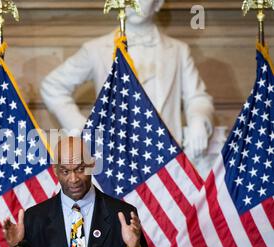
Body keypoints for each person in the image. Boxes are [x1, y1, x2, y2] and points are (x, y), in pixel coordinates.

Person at [40, 0, 215, 159]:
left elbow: (197, 97)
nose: (132, 2)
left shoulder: (178, 51)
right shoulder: (96, 49)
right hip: (115, 156)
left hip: (166, 153)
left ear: (159, 3)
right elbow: (52, 86)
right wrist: (84, 131)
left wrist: (199, 119)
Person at [2, 137, 158, 247]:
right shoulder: (35, 218)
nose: (73, 179)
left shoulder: (121, 215)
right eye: (65, 171)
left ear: (92, 165)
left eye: (80, 169)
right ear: (55, 170)